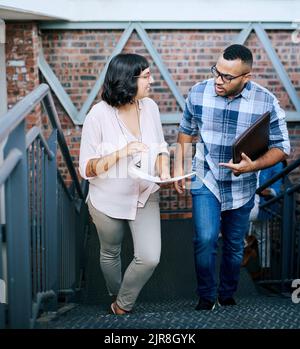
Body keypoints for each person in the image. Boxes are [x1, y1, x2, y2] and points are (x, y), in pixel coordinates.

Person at [174, 44, 290, 310]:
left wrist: (254, 166)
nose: (218, 80)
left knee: (235, 245)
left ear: (245, 78)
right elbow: (185, 130)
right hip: (206, 177)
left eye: (227, 77)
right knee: (205, 239)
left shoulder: (265, 101)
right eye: (217, 71)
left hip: (243, 184)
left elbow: (283, 147)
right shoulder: (199, 92)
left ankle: (226, 294)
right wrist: (179, 166)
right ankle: (206, 296)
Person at [79, 53, 170, 315]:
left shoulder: (150, 107)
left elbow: (161, 147)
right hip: (107, 197)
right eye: (146, 77)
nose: (151, 81)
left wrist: (163, 169)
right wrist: (122, 151)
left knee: (149, 256)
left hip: (144, 193)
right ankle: (115, 294)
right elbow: (87, 168)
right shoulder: (98, 115)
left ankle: (122, 304)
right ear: (128, 81)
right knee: (110, 252)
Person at [243, 161, 286, 275]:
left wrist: (267, 191)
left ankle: (262, 265)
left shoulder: (276, 164)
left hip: (262, 204)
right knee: (261, 236)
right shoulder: (254, 158)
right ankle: (250, 248)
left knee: (263, 237)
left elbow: (276, 190)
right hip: (248, 201)